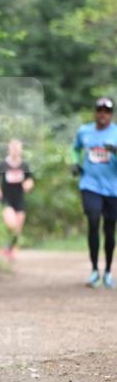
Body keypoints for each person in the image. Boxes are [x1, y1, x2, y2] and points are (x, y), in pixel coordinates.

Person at [72, 95, 117, 288]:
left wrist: (115, 151)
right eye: (100, 110)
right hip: (89, 184)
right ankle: (93, 270)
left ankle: (107, 271)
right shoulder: (85, 131)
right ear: (95, 112)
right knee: (93, 219)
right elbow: (75, 149)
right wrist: (75, 162)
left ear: (111, 114)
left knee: (109, 230)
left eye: (107, 111)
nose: (103, 114)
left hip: (113, 188)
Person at [0, 139, 35, 259]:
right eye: (13, 148)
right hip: (6, 198)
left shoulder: (24, 165)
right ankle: (5, 245)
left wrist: (28, 184)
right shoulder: (3, 164)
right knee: (12, 223)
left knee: (18, 227)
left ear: (21, 150)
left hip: (19, 198)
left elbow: (30, 179)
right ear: (9, 149)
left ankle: (11, 249)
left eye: (18, 148)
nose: (16, 150)